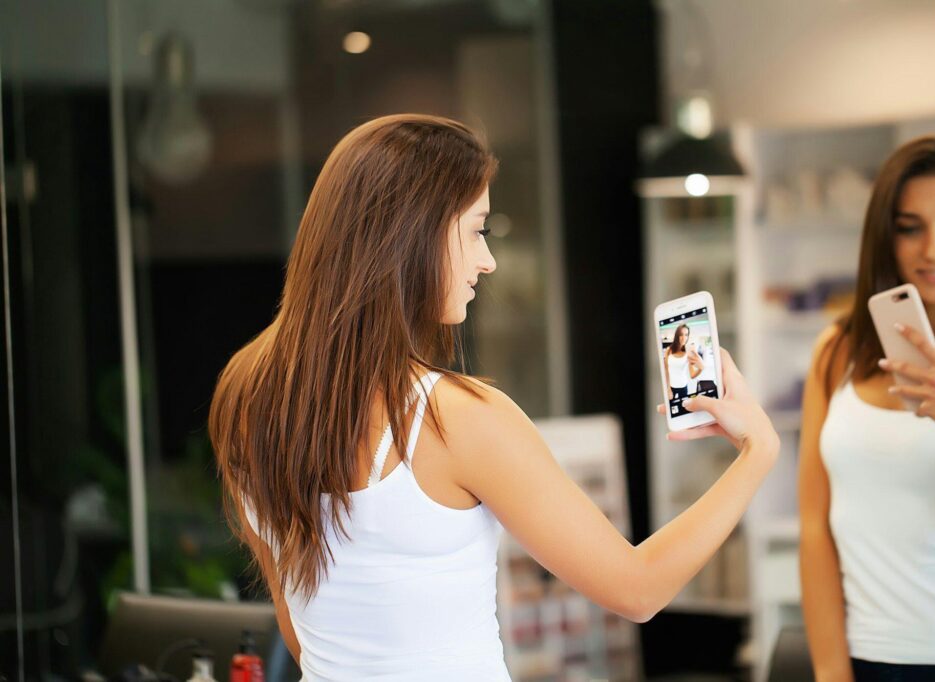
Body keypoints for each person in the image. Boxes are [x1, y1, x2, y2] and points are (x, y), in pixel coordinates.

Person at [208, 114, 780, 681]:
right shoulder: (460, 418)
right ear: (415, 233)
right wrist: (757, 451)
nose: (489, 259)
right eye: (477, 229)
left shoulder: (246, 395)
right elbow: (637, 589)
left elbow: (300, 630)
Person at [798, 135, 935, 681]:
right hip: (865, 658)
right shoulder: (837, 351)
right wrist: (831, 671)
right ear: (885, 237)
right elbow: (814, 525)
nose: (934, 250)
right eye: (909, 227)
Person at [664, 324, 704, 398]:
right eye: (681, 335)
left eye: (686, 335)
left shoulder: (688, 353)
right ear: (677, 336)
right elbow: (666, 370)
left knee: (683, 407)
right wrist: (668, 388)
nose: (684, 338)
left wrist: (701, 369)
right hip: (671, 387)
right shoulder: (668, 350)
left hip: (683, 386)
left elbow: (692, 375)